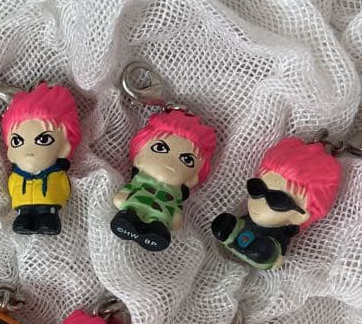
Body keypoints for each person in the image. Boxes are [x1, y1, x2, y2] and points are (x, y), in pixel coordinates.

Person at [211, 137, 341, 269]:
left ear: (299, 217)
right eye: (257, 188)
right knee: (225, 225)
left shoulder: (281, 233)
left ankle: (263, 254)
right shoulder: (249, 217)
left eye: (276, 200)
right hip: (244, 226)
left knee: (264, 251)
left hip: (268, 244)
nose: (259, 201)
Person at [111, 110, 217, 250]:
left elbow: (177, 209)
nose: (170, 163)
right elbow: (129, 188)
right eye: (160, 148)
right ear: (139, 157)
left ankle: (155, 232)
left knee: (158, 226)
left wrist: (175, 218)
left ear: (192, 179)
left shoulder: (176, 194)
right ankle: (128, 220)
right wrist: (123, 196)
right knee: (130, 216)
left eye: (187, 160)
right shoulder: (141, 180)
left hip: (161, 216)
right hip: (135, 205)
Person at [1, 83, 81, 235]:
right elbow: (12, 188)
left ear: (65, 147)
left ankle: (48, 219)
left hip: (49, 205)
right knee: (23, 219)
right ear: (10, 151)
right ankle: (24, 219)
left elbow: (65, 188)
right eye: (17, 141)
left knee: (48, 219)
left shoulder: (56, 174)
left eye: (43, 140)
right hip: (22, 205)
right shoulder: (16, 176)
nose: (29, 150)